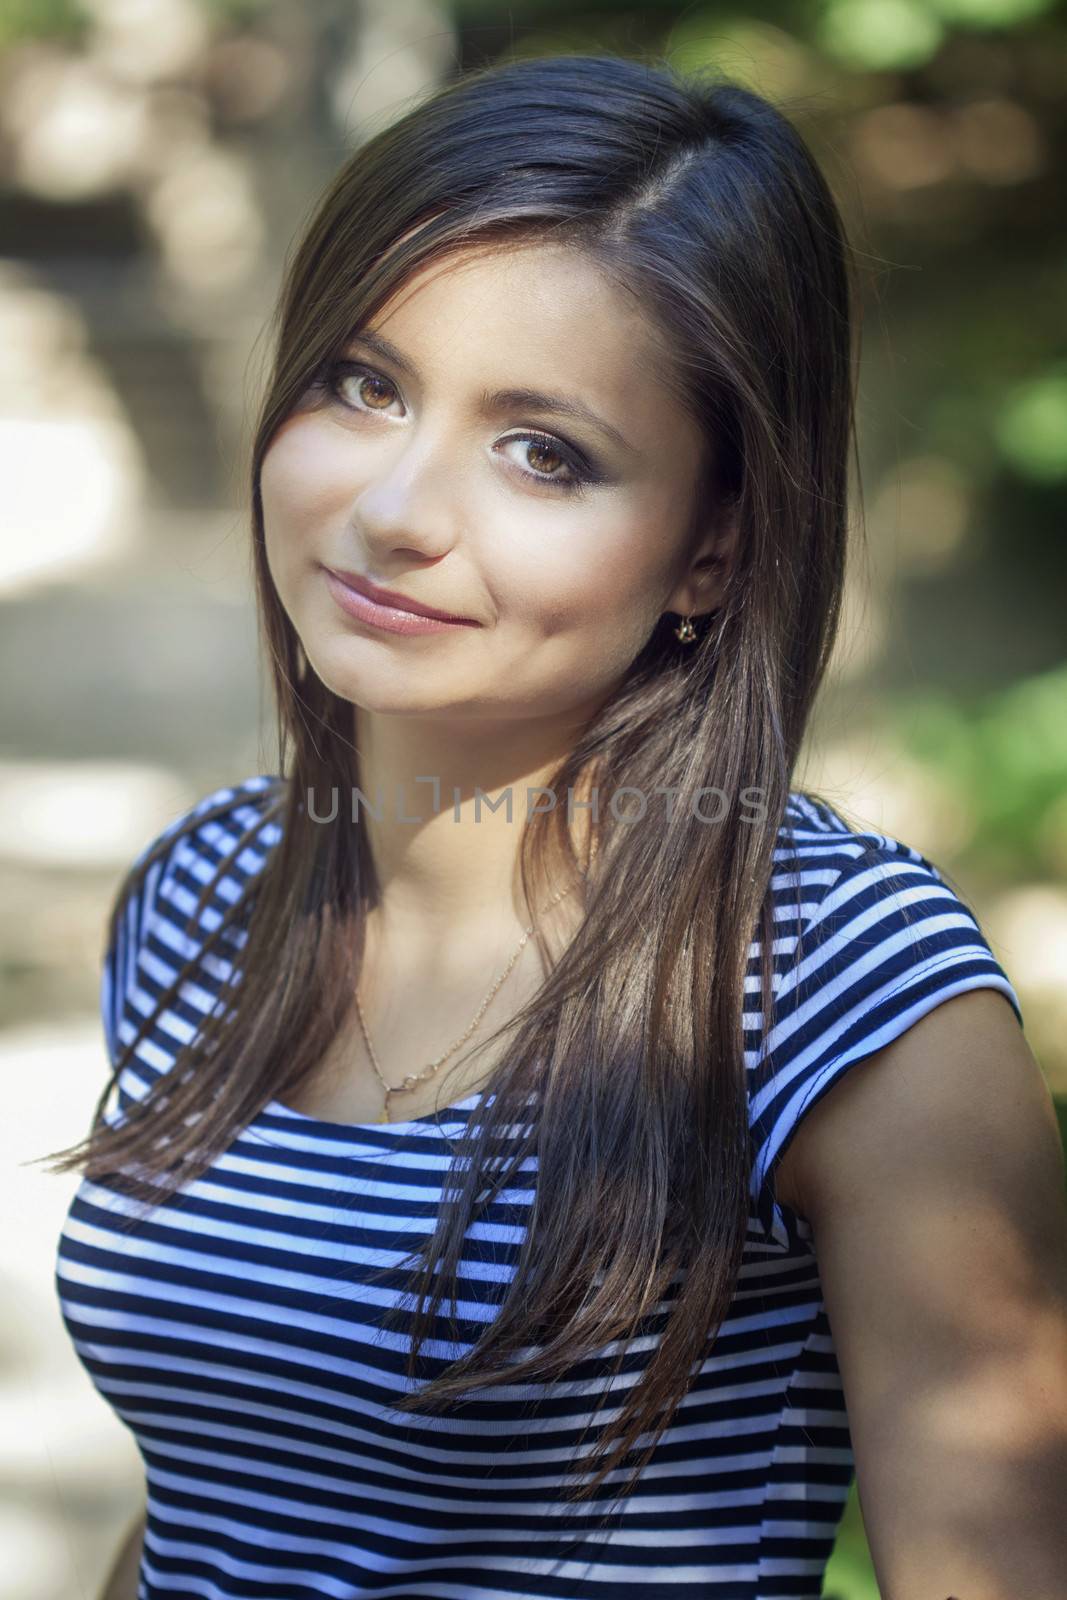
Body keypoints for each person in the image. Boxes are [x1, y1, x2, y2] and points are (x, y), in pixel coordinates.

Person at [46, 50, 1067, 1600]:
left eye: (545, 452)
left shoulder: (844, 994)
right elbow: (217, 1498)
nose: (397, 506)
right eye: (363, 382)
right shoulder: (199, 894)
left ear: (713, 549)